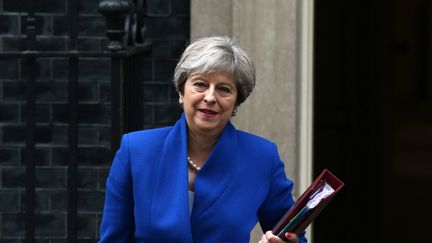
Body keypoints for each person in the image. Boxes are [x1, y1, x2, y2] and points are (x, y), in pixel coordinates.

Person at [99, 36, 307, 243]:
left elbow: (292, 234)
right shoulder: (135, 151)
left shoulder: (262, 158)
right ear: (181, 92)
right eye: (200, 84)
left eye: (224, 89)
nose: (210, 97)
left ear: (236, 102)